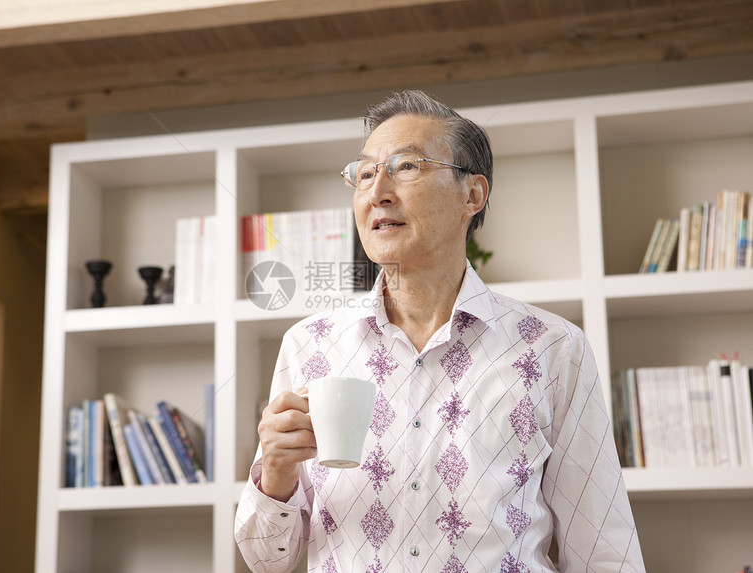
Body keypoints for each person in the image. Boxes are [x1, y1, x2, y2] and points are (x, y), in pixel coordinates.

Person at [235, 90, 644, 573]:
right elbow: (266, 561)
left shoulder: (552, 347)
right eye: (364, 173)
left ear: (472, 195)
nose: (376, 190)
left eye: (406, 167)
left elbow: (603, 549)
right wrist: (276, 476)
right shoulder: (310, 345)